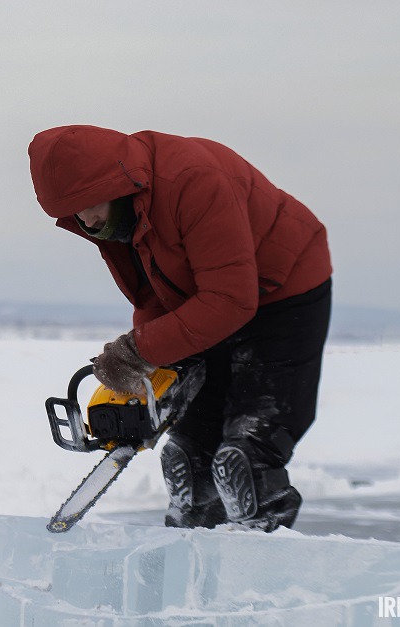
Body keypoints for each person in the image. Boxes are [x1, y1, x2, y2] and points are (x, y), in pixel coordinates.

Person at [28, 125, 332, 532]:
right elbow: (154, 298)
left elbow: (231, 299)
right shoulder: (117, 216)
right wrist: (151, 381)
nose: (86, 219)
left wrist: (139, 351)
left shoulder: (192, 181)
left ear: (114, 181)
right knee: (193, 453)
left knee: (249, 449)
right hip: (208, 302)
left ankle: (261, 556)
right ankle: (193, 529)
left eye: (88, 204)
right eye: (72, 210)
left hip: (283, 291)